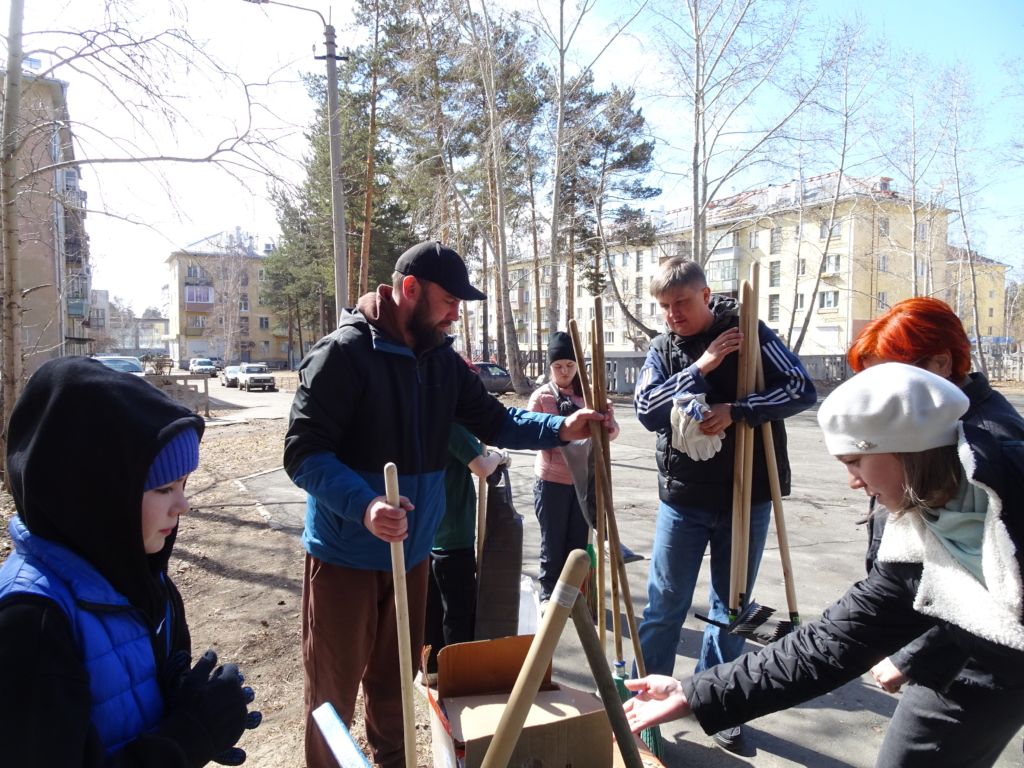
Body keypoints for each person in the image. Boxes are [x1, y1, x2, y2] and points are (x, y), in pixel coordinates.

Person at [283, 241, 609, 768]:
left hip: (412, 557)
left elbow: (494, 420)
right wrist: (364, 505)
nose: (456, 311)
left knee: (394, 685)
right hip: (345, 556)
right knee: (331, 699)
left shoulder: (442, 361)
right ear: (409, 289)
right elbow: (302, 453)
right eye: (448, 300)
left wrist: (559, 427)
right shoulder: (342, 354)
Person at [624, 363, 1024, 768]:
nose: (852, 481)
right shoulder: (913, 530)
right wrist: (694, 692)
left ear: (905, 447)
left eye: (854, 461)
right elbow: (834, 641)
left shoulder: (1011, 494)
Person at [0, 356, 259, 768]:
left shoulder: (142, 578)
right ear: (92, 495)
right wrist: (188, 738)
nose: (183, 505)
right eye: (162, 489)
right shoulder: (32, 622)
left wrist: (189, 706)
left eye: (184, 485)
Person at [632, 256, 816, 751]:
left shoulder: (750, 333)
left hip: (746, 494)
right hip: (683, 498)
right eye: (664, 306)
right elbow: (647, 411)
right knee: (664, 607)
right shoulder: (663, 350)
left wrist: (735, 410)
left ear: (706, 295)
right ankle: (643, 706)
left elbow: (801, 388)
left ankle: (717, 703)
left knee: (731, 607)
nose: (673, 314)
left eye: (682, 303)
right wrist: (702, 366)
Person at [846, 296, 1024, 765]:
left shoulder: (989, 453)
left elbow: (993, 591)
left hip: (973, 669)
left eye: (887, 379)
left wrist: (914, 657)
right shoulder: (931, 427)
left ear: (941, 363)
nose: (874, 400)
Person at [527, 331, 619, 609]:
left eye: (569, 365)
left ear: (578, 365)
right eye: (558, 366)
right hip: (551, 482)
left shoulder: (591, 394)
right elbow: (531, 437)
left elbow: (611, 435)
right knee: (552, 544)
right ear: (550, 367)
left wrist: (608, 423)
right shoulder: (541, 397)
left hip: (585, 482)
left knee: (578, 546)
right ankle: (548, 599)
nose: (564, 371)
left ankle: (573, 599)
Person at [421, 421, 509, 684]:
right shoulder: (451, 425)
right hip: (453, 535)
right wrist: (499, 456)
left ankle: (432, 669)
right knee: (457, 610)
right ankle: (458, 676)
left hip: (424, 532)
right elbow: (481, 467)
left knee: (431, 606)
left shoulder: (420, 415)